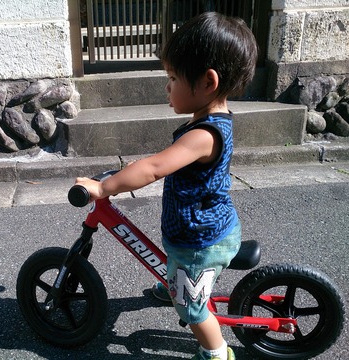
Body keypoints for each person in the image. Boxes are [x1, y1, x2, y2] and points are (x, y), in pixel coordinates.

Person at [75, 11, 258, 360]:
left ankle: (217, 352)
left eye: (173, 77)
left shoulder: (204, 134)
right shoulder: (210, 118)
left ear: (207, 82)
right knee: (178, 270)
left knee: (191, 311)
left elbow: (156, 167)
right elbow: (168, 159)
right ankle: (174, 282)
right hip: (205, 227)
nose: (167, 86)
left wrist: (105, 187)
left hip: (200, 241)